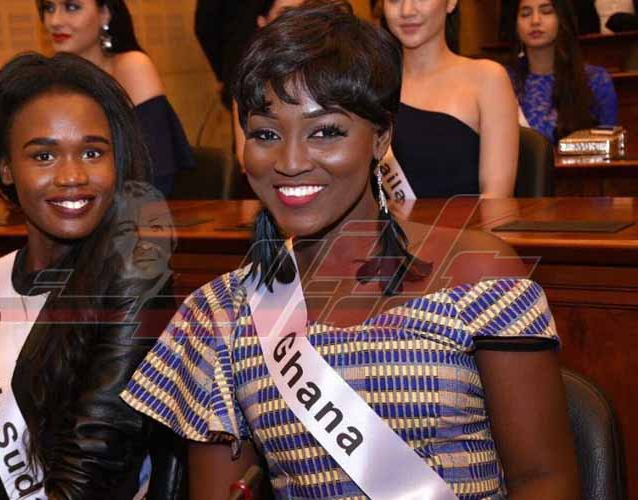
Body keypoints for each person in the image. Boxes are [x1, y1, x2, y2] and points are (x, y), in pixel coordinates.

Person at [120, 2, 580, 499]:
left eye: (326, 131)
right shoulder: (219, 315)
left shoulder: (482, 276)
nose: (291, 161)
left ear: (381, 137)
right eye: (266, 134)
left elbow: (544, 480)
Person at [0, 52, 181, 500]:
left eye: (93, 152)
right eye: (43, 155)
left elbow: (94, 462)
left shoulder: (138, 282)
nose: (72, 176)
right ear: (7, 168)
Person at [36, 0, 195, 196]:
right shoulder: (49, 80)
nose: (55, 21)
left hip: (138, 207)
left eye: (72, 7)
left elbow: (155, 175)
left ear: (104, 13)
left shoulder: (132, 66)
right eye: (49, 8)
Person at [383, 0, 519, 198]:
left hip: (470, 219)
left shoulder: (488, 78)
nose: (406, 10)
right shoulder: (371, 84)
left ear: (451, 2)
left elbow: (496, 198)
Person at [508, 0, 619, 143]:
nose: (535, 21)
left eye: (546, 12)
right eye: (525, 14)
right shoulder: (504, 81)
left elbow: (609, 146)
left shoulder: (595, 79)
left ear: (562, 19)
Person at [232, 0, 305, 170]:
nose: (297, 20)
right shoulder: (251, 79)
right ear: (262, 21)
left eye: (304, 11)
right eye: (285, 14)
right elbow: (244, 155)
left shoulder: (335, 73)